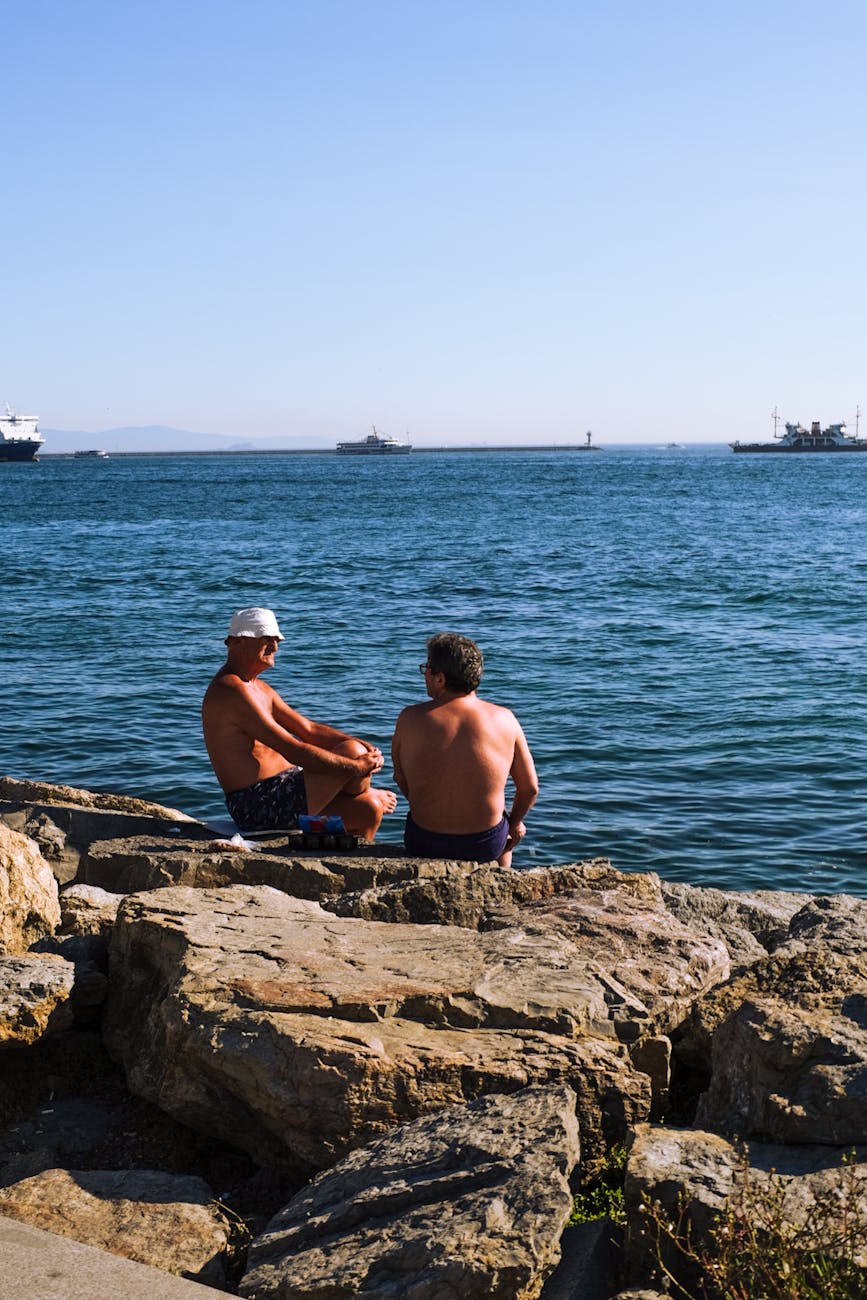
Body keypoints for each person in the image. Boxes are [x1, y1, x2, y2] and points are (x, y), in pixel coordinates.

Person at [202, 607, 397, 839]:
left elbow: (309, 730)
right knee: (353, 754)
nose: (274, 647)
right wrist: (356, 767)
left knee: (369, 809)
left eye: (276, 640)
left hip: (287, 792)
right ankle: (354, 788)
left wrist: (364, 745)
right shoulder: (230, 689)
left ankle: (347, 866)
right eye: (266, 639)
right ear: (238, 642)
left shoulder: (259, 687)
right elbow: (292, 750)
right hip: (259, 805)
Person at [391, 632, 538, 867]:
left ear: (440, 679)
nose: (424, 674)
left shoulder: (409, 718)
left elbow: (400, 777)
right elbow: (530, 788)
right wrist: (514, 823)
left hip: (424, 841)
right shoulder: (504, 718)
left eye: (427, 668)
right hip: (482, 845)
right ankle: (502, 882)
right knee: (506, 829)